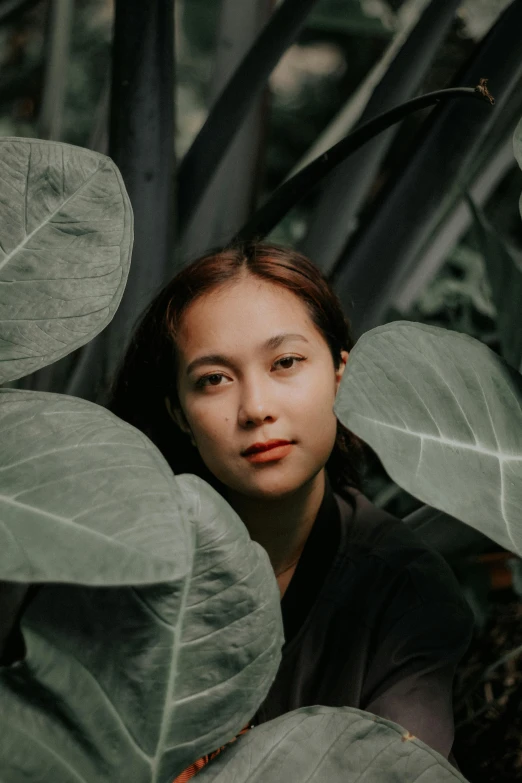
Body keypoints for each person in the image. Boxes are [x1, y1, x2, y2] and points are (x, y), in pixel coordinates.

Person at [107, 242, 474, 777]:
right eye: (214, 379)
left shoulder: (404, 589)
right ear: (180, 414)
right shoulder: (116, 560)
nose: (256, 408)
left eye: (286, 363)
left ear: (341, 377)